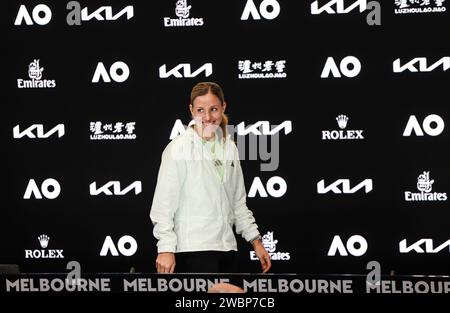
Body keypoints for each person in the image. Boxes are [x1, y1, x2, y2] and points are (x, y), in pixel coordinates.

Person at [150, 82, 271, 274]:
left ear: (223, 107)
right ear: (191, 110)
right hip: (192, 251)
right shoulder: (178, 148)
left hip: (227, 249)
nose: (207, 117)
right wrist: (165, 248)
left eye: (213, 109)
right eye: (200, 110)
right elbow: (163, 204)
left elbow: (238, 202)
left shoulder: (230, 147)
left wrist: (256, 241)